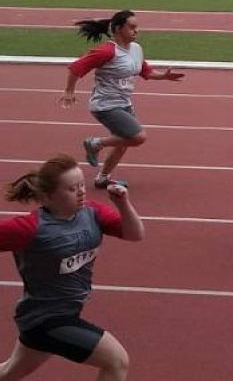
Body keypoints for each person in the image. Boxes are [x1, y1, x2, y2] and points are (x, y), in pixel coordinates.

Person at [0, 154, 144, 381]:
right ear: (47, 196)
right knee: (116, 360)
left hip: (64, 311)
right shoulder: (30, 228)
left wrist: (122, 204)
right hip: (45, 320)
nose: (81, 192)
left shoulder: (93, 213)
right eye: (71, 188)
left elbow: (135, 234)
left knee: (8, 373)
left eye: (81, 185)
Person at [60, 10, 185, 188]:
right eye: (132, 27)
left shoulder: (136, 49)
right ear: (119, 29)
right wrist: (69, 91)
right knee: (138, 137)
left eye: (137, 27)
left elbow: (145, 71)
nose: (136, 31)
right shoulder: (107, 51)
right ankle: (95, 143)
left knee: (123, 143)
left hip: (124, 103)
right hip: (105, 105)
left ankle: (102, 178)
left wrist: (164, 76)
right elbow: (76, 68)